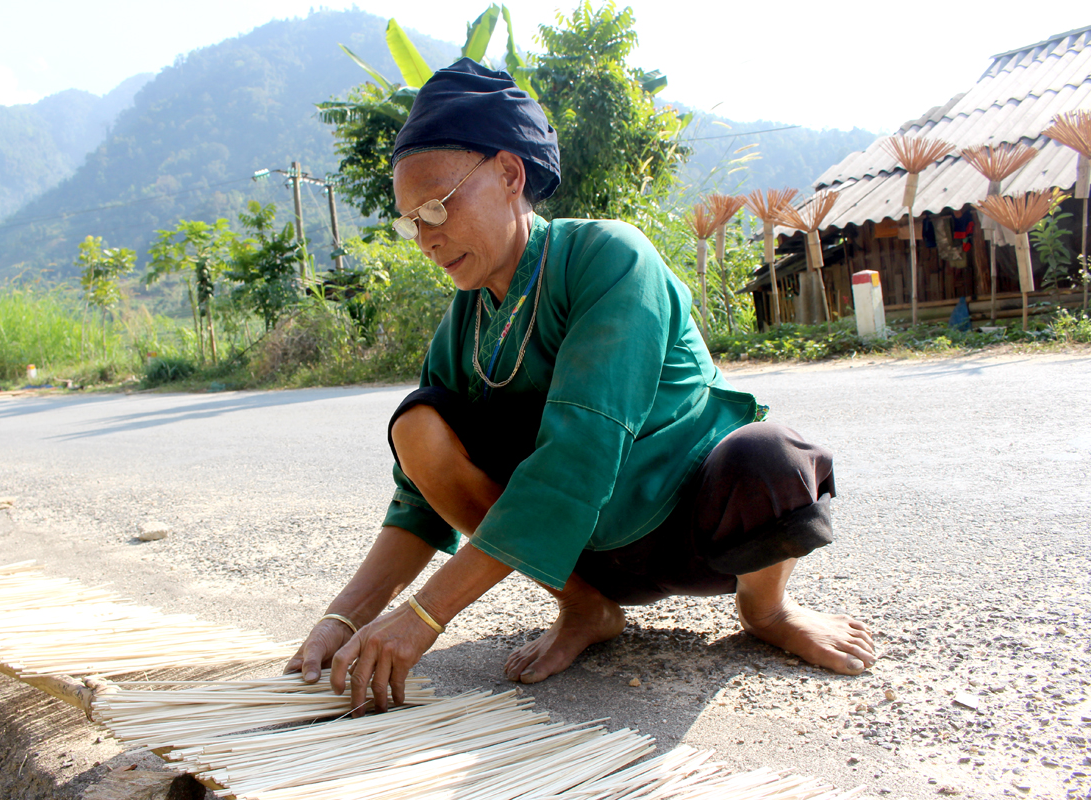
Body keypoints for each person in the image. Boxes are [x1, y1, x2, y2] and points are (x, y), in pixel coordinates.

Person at [285, 59, 875, 714]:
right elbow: (418, 504)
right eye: (409, 221)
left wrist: (423, 617)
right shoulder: (465, 329)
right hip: (580, 556)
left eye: (436, 207)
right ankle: (584, 608)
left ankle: (766, 611)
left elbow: (581, 454)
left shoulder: (609, 258)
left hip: (694, 532)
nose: (425, 237)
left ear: (510, 175)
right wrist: (342, 619)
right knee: (418, 427)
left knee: (771, 457)